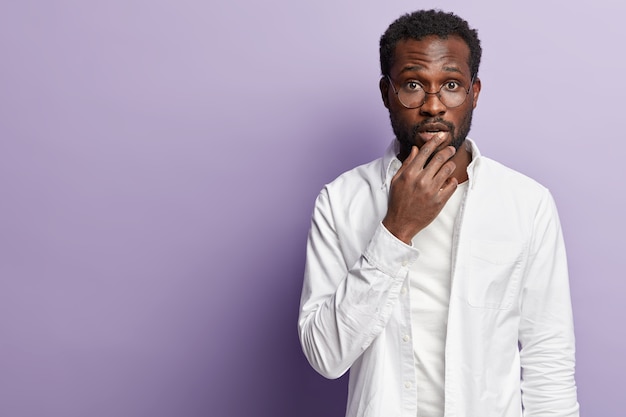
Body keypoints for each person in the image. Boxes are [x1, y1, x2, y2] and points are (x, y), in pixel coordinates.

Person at [297, 9, 579, 417]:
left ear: (474, 92)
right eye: (413, 84)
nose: (433, 106)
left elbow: (548, 356)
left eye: (450, 85)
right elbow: (325, 355)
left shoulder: (526, 203)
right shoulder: (340, 201)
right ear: (386, 92)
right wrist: (396, 228)